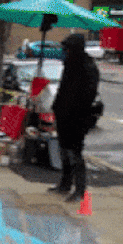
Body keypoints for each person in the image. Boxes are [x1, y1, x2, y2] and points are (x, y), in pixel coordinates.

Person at [50, 33, 99, 203]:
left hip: (78, 118)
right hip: (64, 115)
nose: (66, 52)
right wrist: (57, 107)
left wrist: (75, 111)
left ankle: (80, 189)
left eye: (68, 49)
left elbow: (88, 94)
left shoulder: (87, 67)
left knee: (75, 153)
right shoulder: (70, 65)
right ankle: (65, 183)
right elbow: (63, 89)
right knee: (64, 150)